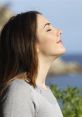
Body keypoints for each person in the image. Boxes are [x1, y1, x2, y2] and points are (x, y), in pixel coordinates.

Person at [0, 11, 66, 117]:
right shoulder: (19, 91)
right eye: (48, 29)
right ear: (30, 44)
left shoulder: (43, 90)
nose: (59, 31)